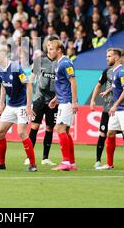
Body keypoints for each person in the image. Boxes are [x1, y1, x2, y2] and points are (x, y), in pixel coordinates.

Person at [0, 44, 37, 172]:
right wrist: (1, 103)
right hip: (11, 105)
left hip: (22, 104)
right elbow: (3, 86)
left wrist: (28, 106)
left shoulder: (16, 67)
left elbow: (28, 85)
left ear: (2, 54)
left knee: (21, 132)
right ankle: (1, 163)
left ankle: (33, 164)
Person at [96, 48, 124, 172]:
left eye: (109, 56)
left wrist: (115, 105)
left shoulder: (122, 72)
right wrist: (108, 91)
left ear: (116, 58)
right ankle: (109, 164)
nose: (107, 58)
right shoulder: (114, 72)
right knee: (110, 133)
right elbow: (117, 86)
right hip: (117, 109)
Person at [25, 37, 59, 166]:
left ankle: (45, 157)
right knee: (35, 126)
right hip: (39, 99)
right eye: (48, 46)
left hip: (53, 101)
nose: (50, 49)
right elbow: (32, 77)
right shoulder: (40, 61)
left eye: (52, 47)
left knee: (50, 128)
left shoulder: (60, 63)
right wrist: (30, 94)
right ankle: (29, 157)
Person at [48, 40, 78, 171]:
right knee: (65, 131)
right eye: (48, 49)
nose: (49, 51)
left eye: (51, 49)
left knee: (59, 129)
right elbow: (63, 83)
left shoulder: (65, 63)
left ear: (59, 50)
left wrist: (74, 101)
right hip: (63, 100)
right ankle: (71, 162)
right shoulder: (60, 63)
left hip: (67, 101)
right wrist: (56, 98)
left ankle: (65, 162)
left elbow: (73, 82)